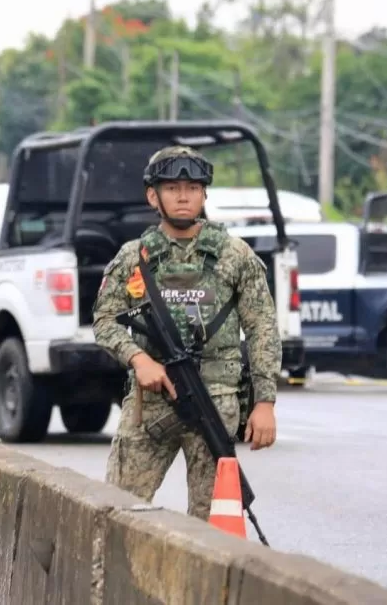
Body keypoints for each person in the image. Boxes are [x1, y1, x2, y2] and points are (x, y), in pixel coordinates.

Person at [92, 146, 280, 521]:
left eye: (192, 187)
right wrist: (139, 359)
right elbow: (104, 320)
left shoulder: (234, 254)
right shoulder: (135, 256)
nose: (183, 195)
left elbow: (262, 328)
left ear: (204, 194)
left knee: (212, 521)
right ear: (153, 196)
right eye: (173, 187)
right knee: (116, 510)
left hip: (215, 400)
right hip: (151, 404)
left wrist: (265, 403)